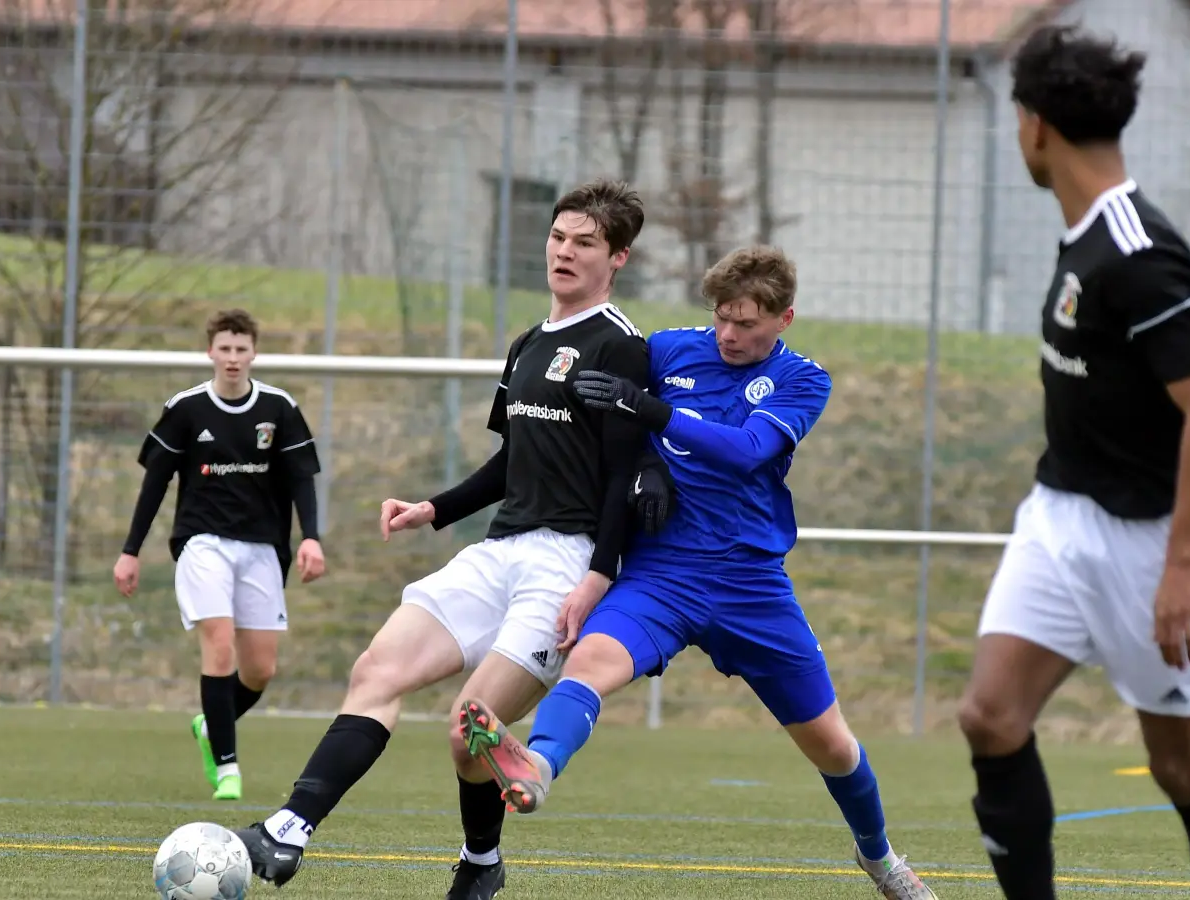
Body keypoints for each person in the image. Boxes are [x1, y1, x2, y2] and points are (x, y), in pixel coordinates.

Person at [455, 246, 939, 900]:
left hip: (750, 583)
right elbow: (615, 418)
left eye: (747, 325)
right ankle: (537, 767)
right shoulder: (671, 350)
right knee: (591, 660)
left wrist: (655, 415)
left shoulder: (804, 380)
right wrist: (643, 465)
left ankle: (880, 859)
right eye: (721, 319)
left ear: (784, 318)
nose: (730, 336)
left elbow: (748, 451)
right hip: (664, 571)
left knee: (831, 744)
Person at [232, 178, 652, 900]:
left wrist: (599, 576)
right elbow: (513, 459)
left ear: (616, 258)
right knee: (377, 670)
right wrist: (435, 508)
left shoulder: (621, 348)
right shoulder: (527, 344)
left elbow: (626, 479)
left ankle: (481, 862)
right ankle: (288, 830)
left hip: (565, 561)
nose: (564, 252)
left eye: (585, 243)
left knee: (470, 730)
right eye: (557, 237)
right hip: (497, 551)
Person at [953, 24, 1190, 900]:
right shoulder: (1087, 236)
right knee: (990, 716)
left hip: (1154, 536)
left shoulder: (1134, 250)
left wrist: (1179, 570)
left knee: (1182, 768)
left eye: (1017, 115)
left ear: (1037, 125)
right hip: (1062, 514)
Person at [114, 308, 327, 802]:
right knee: (219, 642)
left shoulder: (278, 408)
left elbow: (301, 479)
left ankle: (212, 724)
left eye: (241, 349)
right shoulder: (187, 408)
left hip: (262, 549)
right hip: (201, 542)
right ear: (210, 351)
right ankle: (228, 767)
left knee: (259, 671)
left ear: (254, 352)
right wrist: (130, 551)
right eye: (224, 349)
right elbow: (154, 484)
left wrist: (311, 537)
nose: (232, 358)